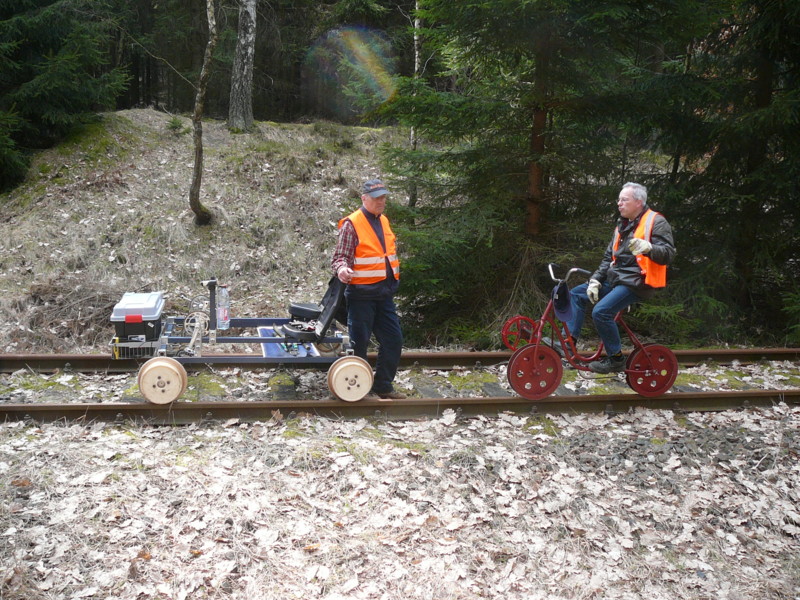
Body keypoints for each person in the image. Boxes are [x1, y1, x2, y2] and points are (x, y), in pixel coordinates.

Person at [555, 182, 676, 374]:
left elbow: (668, 254)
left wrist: (650, 248)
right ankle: (568, 344)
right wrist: (595, 280)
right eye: (619, 199)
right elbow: (608, 258)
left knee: (601, 312)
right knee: (576, 295)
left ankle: (616, 359)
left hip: (638, 282)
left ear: (638, 202)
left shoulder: (656, 221)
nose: (619, 203)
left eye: (624, 200)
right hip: (617, 279)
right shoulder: (622, 225)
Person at [331, 178, 406, 399]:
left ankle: (383, 386)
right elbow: (339, 258)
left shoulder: (384, 221)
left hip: (384, 295)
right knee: (359, 345)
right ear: (364, 198)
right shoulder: (352, 224)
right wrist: (342, 269)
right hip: (361, 296)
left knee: (393, 340)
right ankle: (359, 391)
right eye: (376, 198)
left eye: (383, 197)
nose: (381, 201)